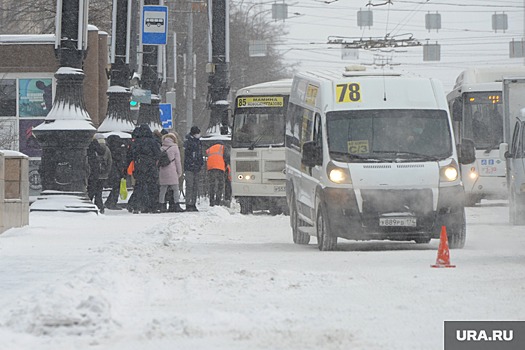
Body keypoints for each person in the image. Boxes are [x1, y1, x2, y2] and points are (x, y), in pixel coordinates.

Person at [130, 124, 161, 213]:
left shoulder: (137, 141)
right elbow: (158, 154)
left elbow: (132, 154)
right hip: (151, 166)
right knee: (152, 186)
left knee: (140, 186)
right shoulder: (153, 141)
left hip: (140, 166)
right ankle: (152, 206)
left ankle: (140, 205)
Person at [158, 133, 184, 212]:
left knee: (163, 189)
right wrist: (179, 172)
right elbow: (178, 161)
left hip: (162, 170)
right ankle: (176, 204)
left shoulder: (161, 147)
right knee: (175, 189)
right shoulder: (175, 148)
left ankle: (161, 205)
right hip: (172, 170)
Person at [87, 134, 112, 213]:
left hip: (93, 173)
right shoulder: (106, 149)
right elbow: (110, 161)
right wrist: (107, 172)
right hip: (103, 174)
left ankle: (89, 205)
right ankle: (99, 206)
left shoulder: (91, 147)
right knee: (99, 192)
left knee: (91, 191)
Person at [104, 134, 129, 210]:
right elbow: (121, 160)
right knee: (116, 187)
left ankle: (109, 202)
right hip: (116, 170)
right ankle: (112, 202)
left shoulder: (108, 148)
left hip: (110, 169)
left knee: (115, 186)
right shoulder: (119, 149)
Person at [183, 126, 204, 212]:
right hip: (190, 167)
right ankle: (189, 203)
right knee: (190, 185)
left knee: (194, 186)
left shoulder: (198, 142)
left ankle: (193, 203)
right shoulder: (188, 142)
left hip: (195, 167)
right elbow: (187, 155)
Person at [206, 141, 229, 207]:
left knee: (212, 185)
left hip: (210, 168)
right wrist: (226, 166)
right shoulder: (223, 147)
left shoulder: (210, 148)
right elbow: (227, 157)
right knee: (220, 185)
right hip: (219, 168)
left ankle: (211, 202)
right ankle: (218, 201)